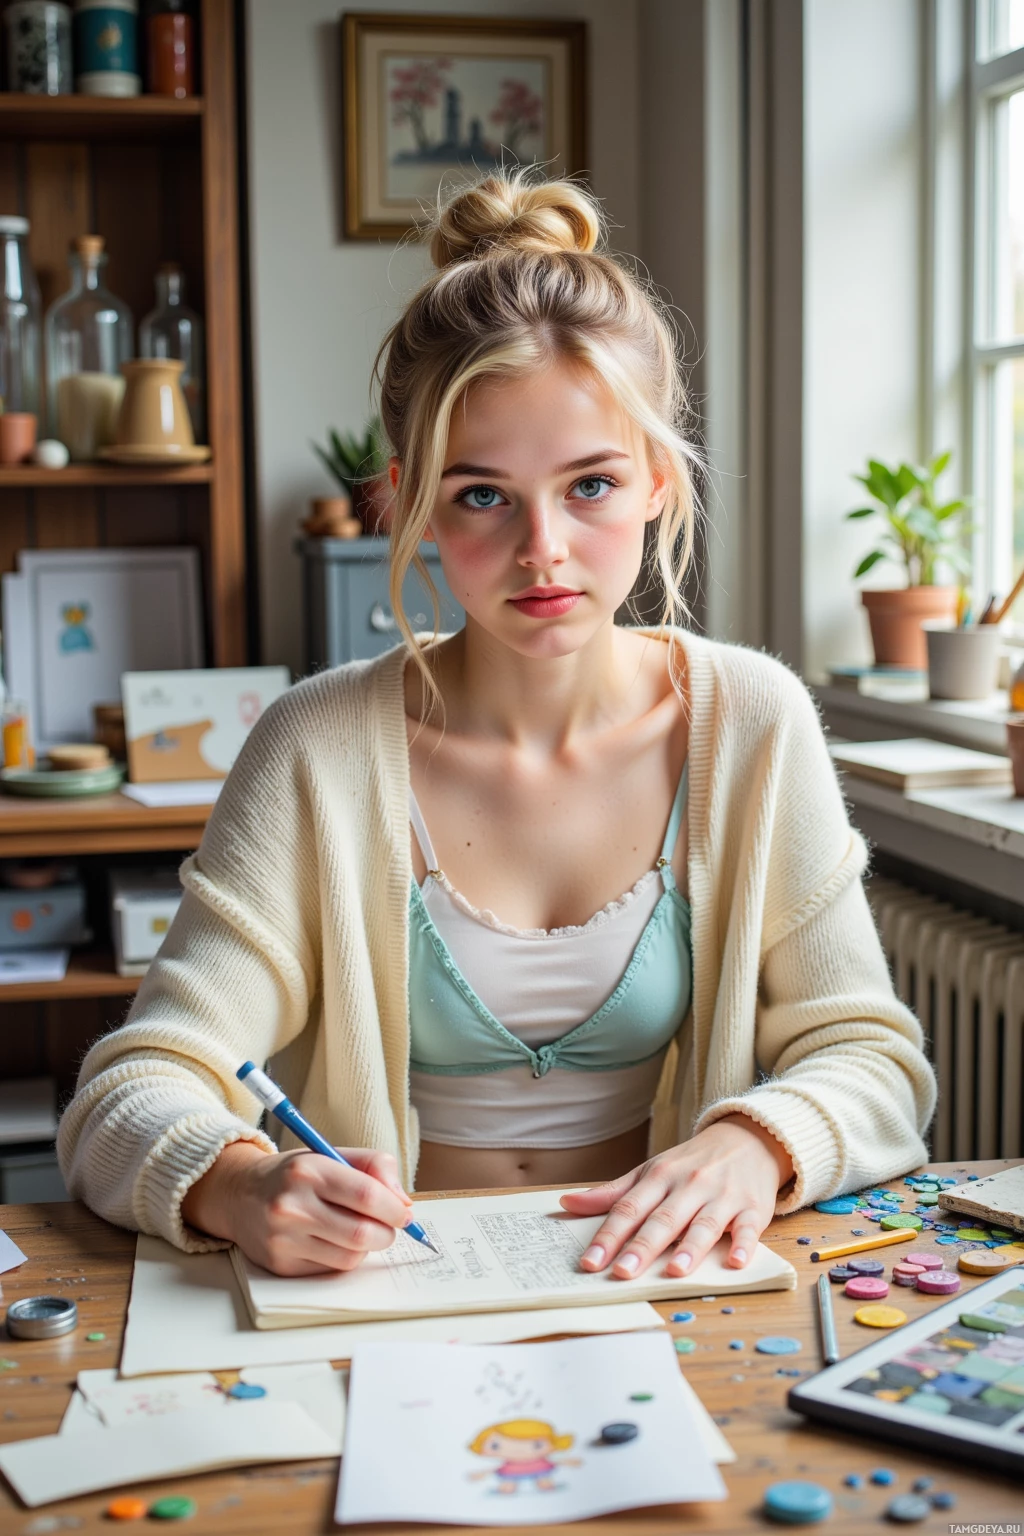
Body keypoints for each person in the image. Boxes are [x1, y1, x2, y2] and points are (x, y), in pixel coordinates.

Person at [57, 168, 936, 1285]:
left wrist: (754, 1145)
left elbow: (871, 1059)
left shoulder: (754, 723)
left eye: (592, 485)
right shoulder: (313, 748)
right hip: (383, 1310)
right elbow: (131, 1089)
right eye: (481, 494)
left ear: (659, 480)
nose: (543, 550)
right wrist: (236, 1184)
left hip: (657, 1301)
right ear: (409, 498)